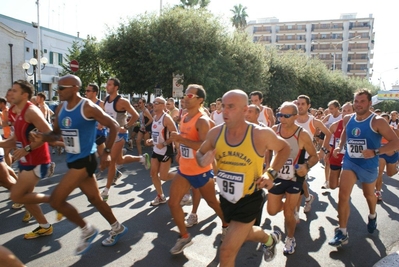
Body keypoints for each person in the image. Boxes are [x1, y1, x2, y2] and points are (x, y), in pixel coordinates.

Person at [31, 74, 128, 255]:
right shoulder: (61, 108)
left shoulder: (87, 107)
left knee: (55, 200)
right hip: (73, 160)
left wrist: (106, 152)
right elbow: (56, 134)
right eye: (58, 88)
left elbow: (114, 125)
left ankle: (86, 229)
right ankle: (117, 227)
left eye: (62, 88)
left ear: (74, 88)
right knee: (95, 200)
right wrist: (43, 137)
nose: (58, 91)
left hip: (85, 161)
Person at [196, 89, 290, 265]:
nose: (225, 111)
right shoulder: (215, 133)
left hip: (250, 198)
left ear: (245, 109)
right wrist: (203, 161)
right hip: (226, 198)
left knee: (226, 251)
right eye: (223, 106)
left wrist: (270, 173)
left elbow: (284, 148)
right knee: (244, 234)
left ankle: (269, 239)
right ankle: (270, 239)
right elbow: (200, 154)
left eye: (231, 107)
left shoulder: (260, 134)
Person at [328, 89, 399, 247]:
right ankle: (342, 231)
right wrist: (340, 146)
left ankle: (372, 215)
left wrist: (375, 151)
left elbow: (396, 142)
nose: (358, 104)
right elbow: (346, 132)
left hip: (369, 165)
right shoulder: (348, 118)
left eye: (362, 101)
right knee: (343, 194)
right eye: (356, 101)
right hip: (350, 161)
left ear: (369, 103)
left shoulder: (378, 121)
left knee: (369, 196)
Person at [167, 84, 228, 255]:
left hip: (201, 171)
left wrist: (181, 140)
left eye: (190, 96)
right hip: (184, 170)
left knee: (212, 203)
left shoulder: (202, 120)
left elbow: (205, 146)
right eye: (185, 95)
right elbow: (185, 139)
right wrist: (179, 150)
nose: (186, 98)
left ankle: (226, 224)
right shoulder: (185, 116)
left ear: (200, 100)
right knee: (172, 203)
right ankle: (184, 236)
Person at [0, 80, 53, 239]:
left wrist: (27, 149)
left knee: (18, 195)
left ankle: (57, 199)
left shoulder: (31, 111)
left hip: (37, 160)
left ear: (24, 95)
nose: (11, 93)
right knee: (24, 196)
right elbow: (13, 141)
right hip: (26, 161)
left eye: (15, 91)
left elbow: (50, 133)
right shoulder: (18, 113)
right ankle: (45, 226)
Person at [267, 102, 318, 255]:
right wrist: (266, 168)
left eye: (286, 116)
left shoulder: (302, 134)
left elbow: (315, 156)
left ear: (295, 117)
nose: (281, 118)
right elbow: (267, 151)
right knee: (272, 210)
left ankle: (290, 239)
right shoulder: (274, 131)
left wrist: (306, 166)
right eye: (279, 115)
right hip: (277, 175)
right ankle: (291, 209)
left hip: (295, 177)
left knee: (289, 213)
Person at [101, 78, 150, 201]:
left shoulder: (122, 101)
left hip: (121, 135)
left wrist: (126, 126)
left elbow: (135, 115)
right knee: (120, 160)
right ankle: (142, 158)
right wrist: (101, 124)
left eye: (110, 85)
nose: (107, 86)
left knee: (112, 161)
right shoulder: (106, 101)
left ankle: (106, 191)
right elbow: (105, 116)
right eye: (107, 84)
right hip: (110, 135)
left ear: (116, 87)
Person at [295, 95, 331, 213]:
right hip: (292, 155)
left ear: (308, 106)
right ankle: (308, 198)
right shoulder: (292, 118)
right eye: (298, 103)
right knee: (299, 179)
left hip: (306, 156)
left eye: (303, 104)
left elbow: (328, 134)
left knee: (299, 178)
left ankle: (295, 212)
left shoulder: (314, 121)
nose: (300, 106)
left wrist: (322, 151)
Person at [145, 97, 177, 206]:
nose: (154, 104)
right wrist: (151, 140)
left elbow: (175, 135)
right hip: (156, 150)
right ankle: (160, 196)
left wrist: (164, 143)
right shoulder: (155, 117)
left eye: (157, 103)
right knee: (153, 173)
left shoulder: (166, 118)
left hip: (166, 150)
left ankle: (183, 176)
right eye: (154, 102)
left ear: (163, 105)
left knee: (163, 176)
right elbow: (156, 134)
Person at [321, 102, 354, 190]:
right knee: (333, 186)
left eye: (349, 110)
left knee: (345, 188)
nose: (346, 113)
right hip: (336, 157)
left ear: (354, 111)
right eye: (344, 111)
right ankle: (337, 181)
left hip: (350, 159)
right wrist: (325, 151)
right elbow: (327, 136)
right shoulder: (335, 125)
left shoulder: (360, 125)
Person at [375, 113, 399, 201]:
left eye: (385, 120)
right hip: (381, 153)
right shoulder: (376, 131)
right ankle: (378, 192)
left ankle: (396, 168)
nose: (383, 122)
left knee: (390, 174)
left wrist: (394, 150)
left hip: (392, 154)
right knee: (379, 172)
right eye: (382, 120)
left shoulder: (395, 130)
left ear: (388, 121)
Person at [320, 100, 342, 189]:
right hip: (330, 142)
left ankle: (339, 180)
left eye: (332, 108)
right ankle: (327, 181)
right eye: (329, 108)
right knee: (327, 161)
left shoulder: (342, 116)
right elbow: (320, 123)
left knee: (339, 164)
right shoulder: (329, 116)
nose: (330, 110)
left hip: (340, 144)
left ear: (337, 108)